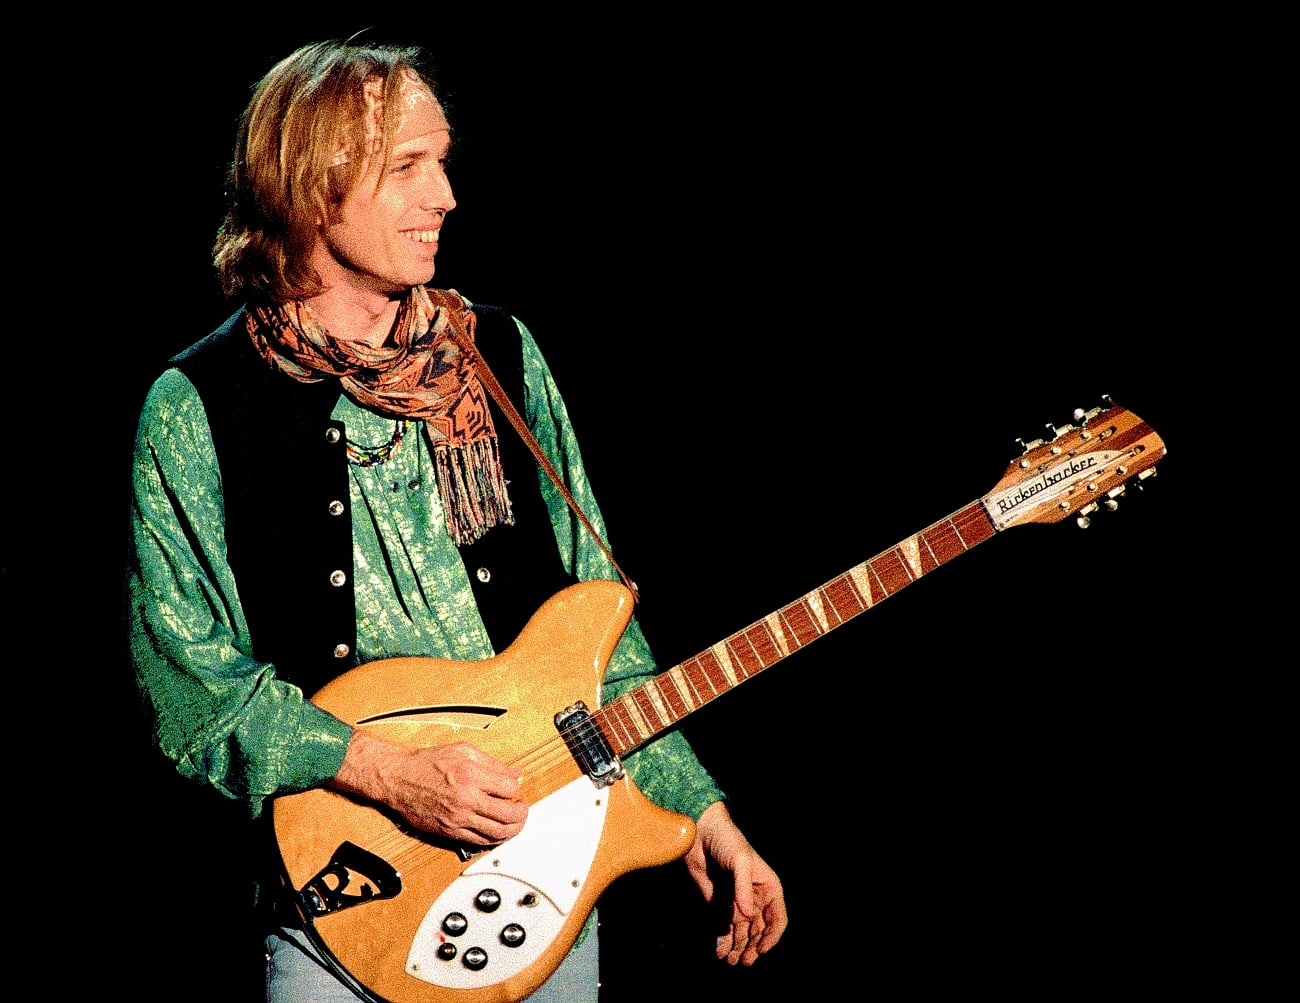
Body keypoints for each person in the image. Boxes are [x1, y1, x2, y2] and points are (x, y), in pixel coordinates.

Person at [125, 36, 787, 1002]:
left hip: (545, 884)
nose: (445, 195)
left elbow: (606, 646)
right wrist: (385, 771)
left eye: (441, 161)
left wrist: (704, 811)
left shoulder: (499, 356)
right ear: (312, 184)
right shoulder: (200, 403)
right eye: (408, 166)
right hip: (346, 903)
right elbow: (190, 688)